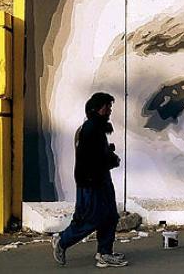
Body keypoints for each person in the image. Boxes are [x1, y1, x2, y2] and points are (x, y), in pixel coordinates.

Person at [52, 92, 127, 268]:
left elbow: (96, 154)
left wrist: (108, 154)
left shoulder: (96, 128)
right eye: (106, 106)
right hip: (92, 182)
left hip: (100, 179)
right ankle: (62, 241)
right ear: (96, 108)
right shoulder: (91, 128)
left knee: (110, 216)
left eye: (110, 107)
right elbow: (91, 159)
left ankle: (105, 253)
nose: (109, 110)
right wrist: (110, 159)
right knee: (92, 218)